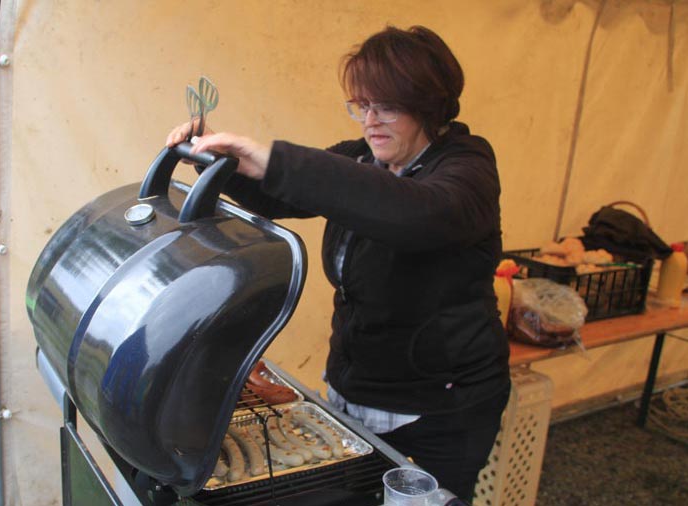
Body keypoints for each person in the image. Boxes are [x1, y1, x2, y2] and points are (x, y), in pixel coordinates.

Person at [166, 24, 510, 502]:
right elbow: (285, 194)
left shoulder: (468, 169)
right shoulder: (364, 161)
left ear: (429, 106)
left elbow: (413, 214)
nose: (370, 121)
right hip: (355, 389)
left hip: (441, 406)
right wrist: (221, 162)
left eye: (386, 106)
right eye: (361, 105)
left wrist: (273, 159)